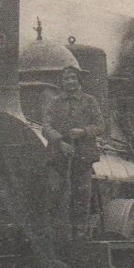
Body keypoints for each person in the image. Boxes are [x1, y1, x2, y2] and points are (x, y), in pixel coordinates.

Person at [43, 65, 107, 235]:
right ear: (61, 82)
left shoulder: (89, 101)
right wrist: (59, 141)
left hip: (83, 157)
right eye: (66, 78)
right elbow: (46, 126)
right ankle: (57, 232)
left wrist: (83, 132)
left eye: (73, 78)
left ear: (79, 80)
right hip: (58, 157)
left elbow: (100, 125)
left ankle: (79, 233)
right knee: (55, 193)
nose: (70, 81)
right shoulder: (54, 102)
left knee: (81, 195)